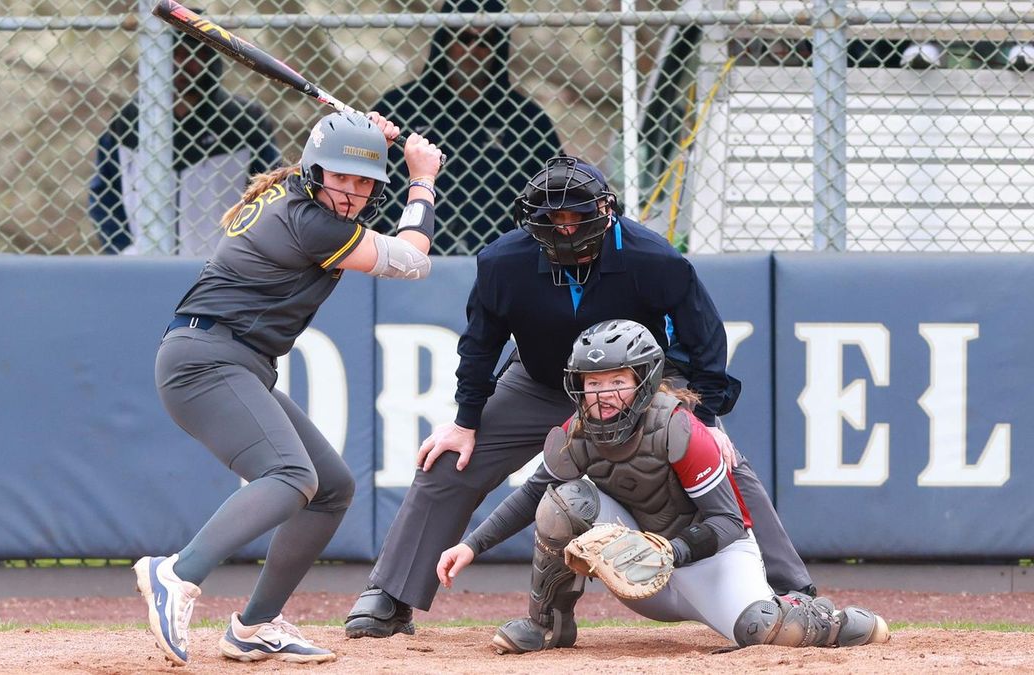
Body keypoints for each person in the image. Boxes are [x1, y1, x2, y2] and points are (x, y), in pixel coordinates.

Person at [344, 155, 815, 639]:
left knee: (726, 463)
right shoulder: (503, 262)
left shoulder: (653, 258)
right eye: (553, 218)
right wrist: (465, 422)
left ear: (605, 210)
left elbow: (704, 336)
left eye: (577, 215)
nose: (565, 228)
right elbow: (480, 344)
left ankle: (794, 591)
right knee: (449, 462)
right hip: (541, 380)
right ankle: (391, 595)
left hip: (637, 387)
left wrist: (709, 419)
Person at [133, 110, 443, 665]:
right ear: (313, 171)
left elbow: (340, 165)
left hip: (230, 360)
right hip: (206, 361)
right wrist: (421, 178)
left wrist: (365, 143)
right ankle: (176, 573)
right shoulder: (312, 222)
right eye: (340, 177)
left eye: (364, 182)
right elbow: (414, 261)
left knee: (330, 488)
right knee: (290, 476)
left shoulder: (296, 195)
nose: (351, 194)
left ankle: (254, 626)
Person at [435, 319, 889, 653]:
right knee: (565, 501)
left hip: (710, 562)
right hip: (644, 576)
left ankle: (834, 620)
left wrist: (670, 551)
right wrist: (471, 546)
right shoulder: (578, 430)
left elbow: (729, 522)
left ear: (644, 381)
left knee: (761, 627)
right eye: (593, 383)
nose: (602, 395)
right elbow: (534, 494)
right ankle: (547, 624)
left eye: (617, 381)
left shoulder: (680, 428)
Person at [368, 0, 562, 255]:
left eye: (484, 41)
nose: (472, 49)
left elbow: (557, 191)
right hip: (405, 255)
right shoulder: (400, 107)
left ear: (498, 47)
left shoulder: (525, 118)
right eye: (463, 37)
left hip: (499, 259)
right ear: (445, 40)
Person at [88, 15, 279, 255]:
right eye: (174, 53)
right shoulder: (129, 121)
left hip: (220, 263)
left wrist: (242, 253)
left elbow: (272, 196)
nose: (182, 63)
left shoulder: (243, 121)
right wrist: (126, 251)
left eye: (194, 54)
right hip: (145, 260)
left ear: (210, 58)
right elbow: (104, 194)